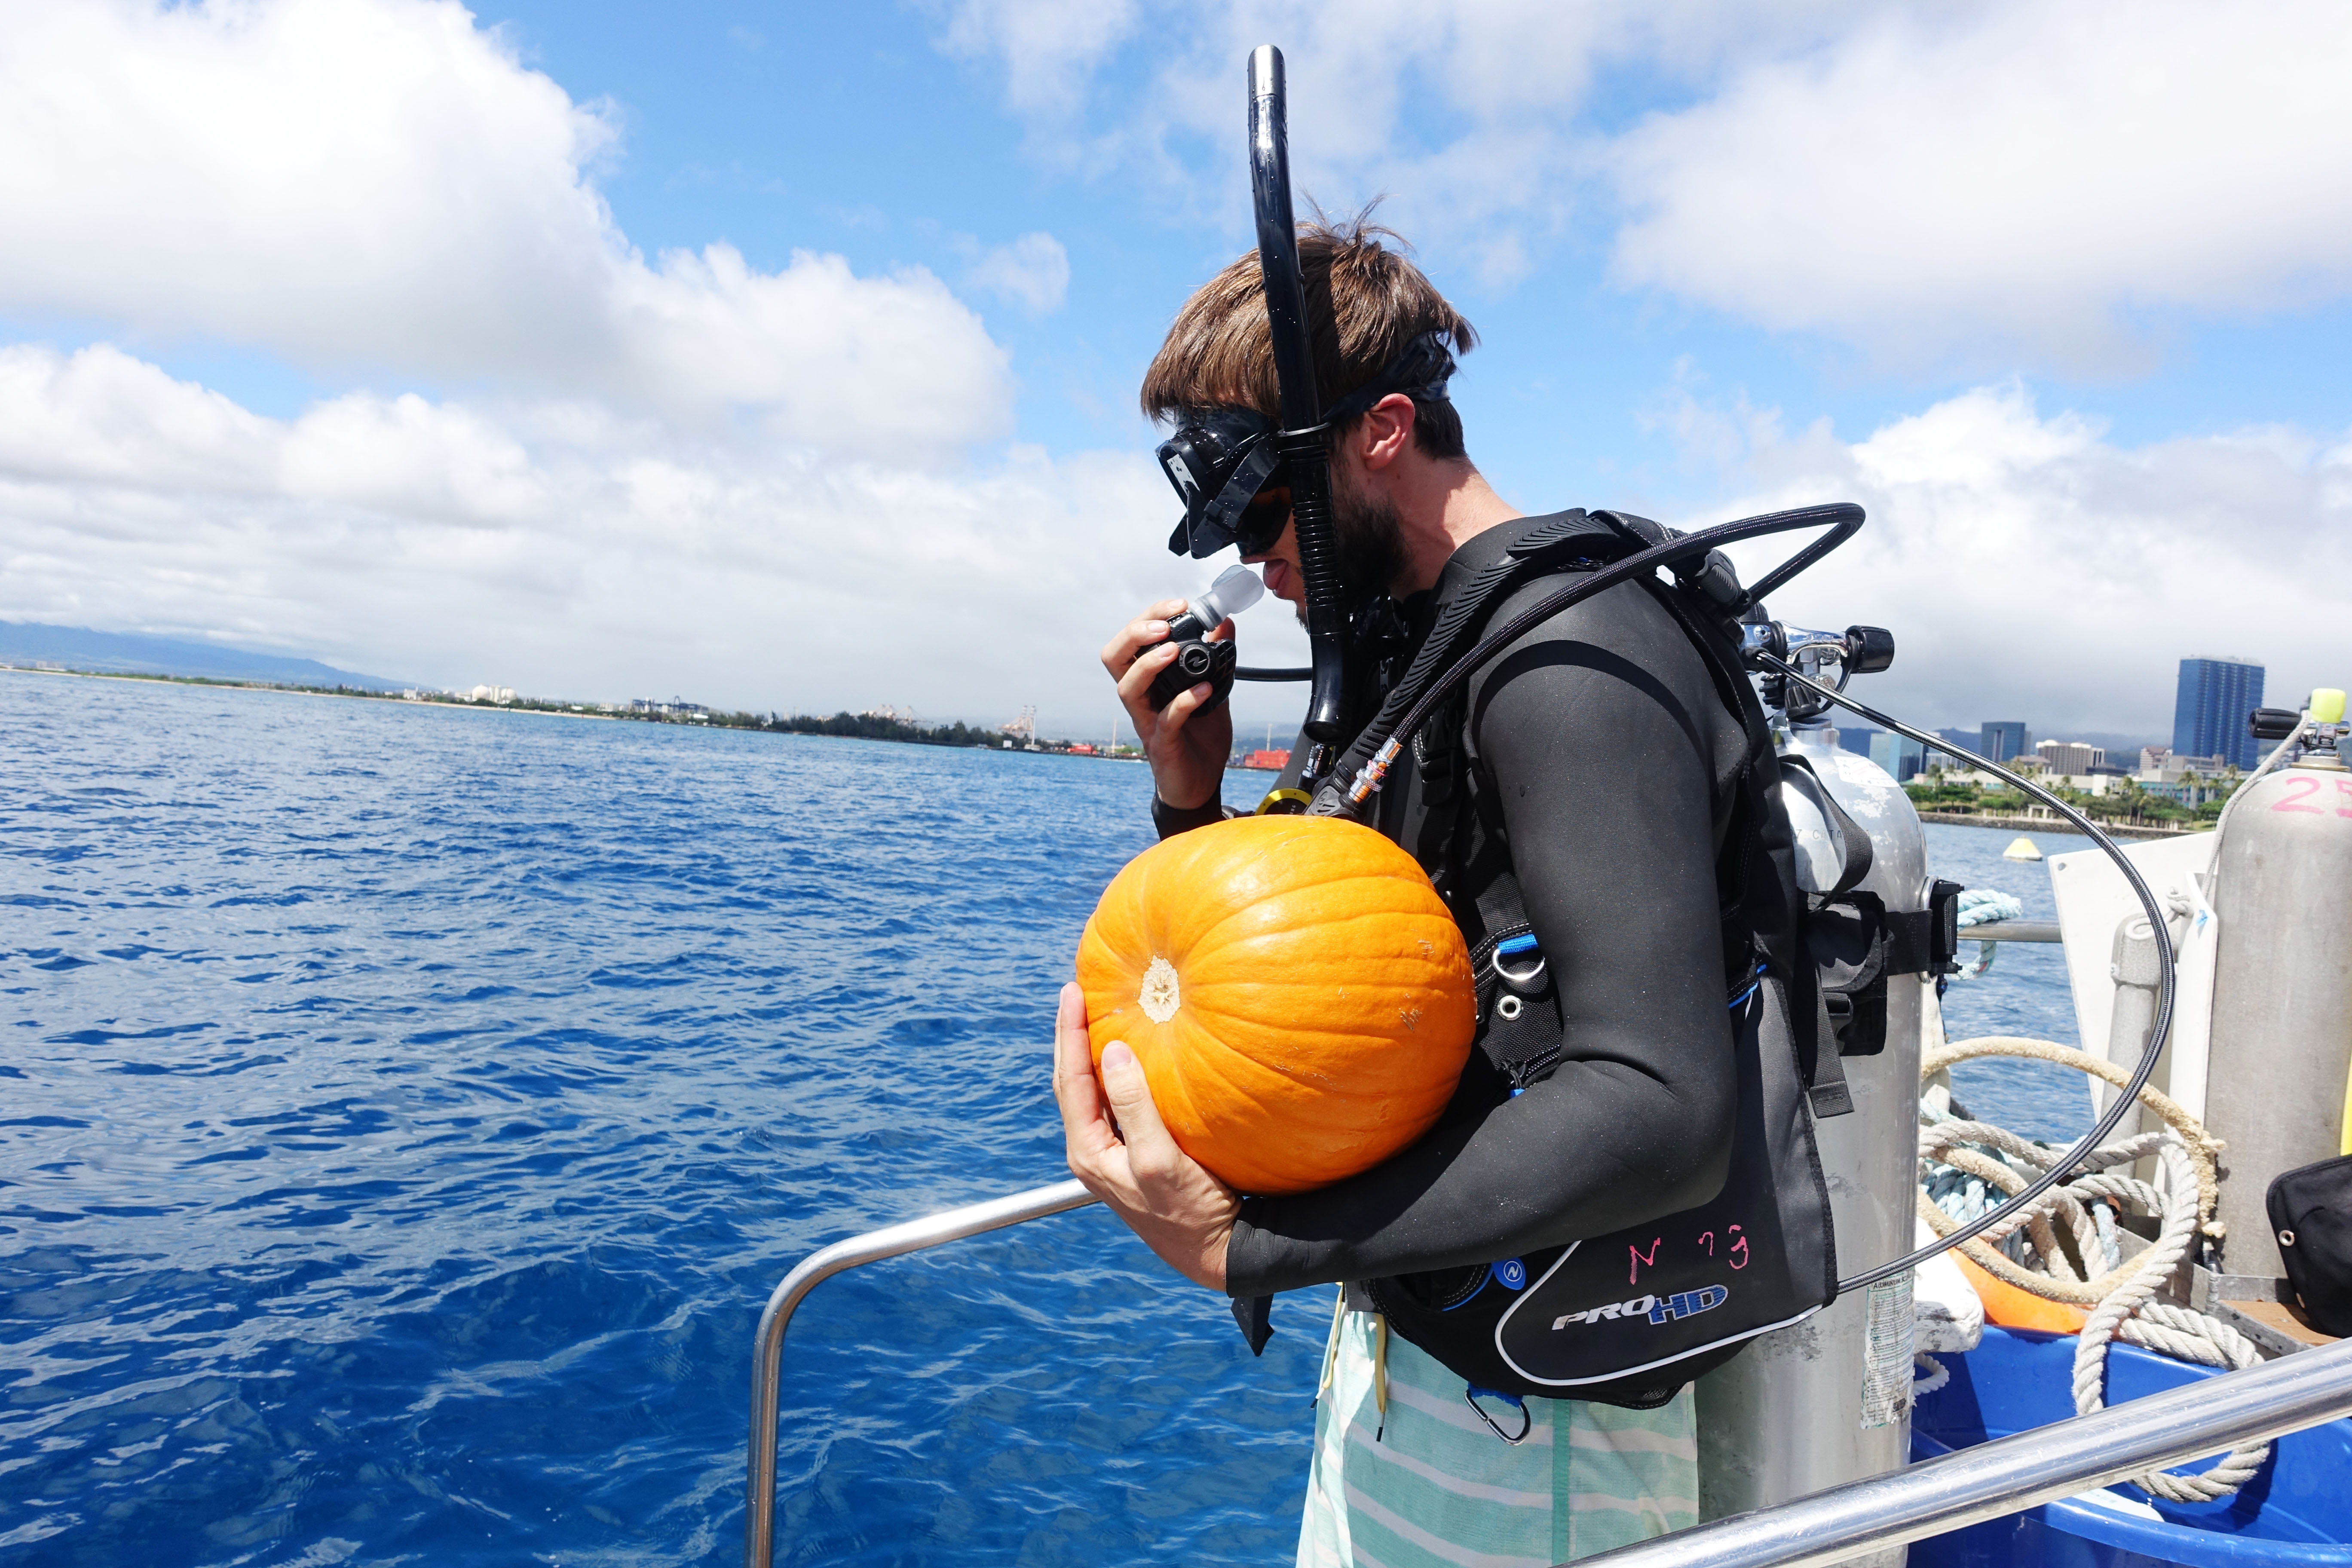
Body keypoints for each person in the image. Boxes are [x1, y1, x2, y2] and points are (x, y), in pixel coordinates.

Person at [1051, 212, 1749, 1566]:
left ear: (1382, 430)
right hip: (1436, 1361)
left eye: (1265, 506)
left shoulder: (1570, 653)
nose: (1256, 560)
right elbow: (1319, 972)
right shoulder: (1425, 652)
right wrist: (1185, 803)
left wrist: (1249, 1255)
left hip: (1552, 1442)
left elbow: (1663, 1109)